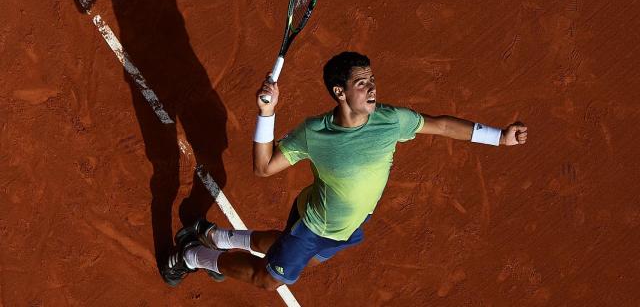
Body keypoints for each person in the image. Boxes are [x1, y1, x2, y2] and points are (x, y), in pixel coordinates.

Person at [161, 51, 528, 290]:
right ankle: (192, 255)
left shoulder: (391, 120)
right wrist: (267, 113)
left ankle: (213, 234)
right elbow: (263, 167)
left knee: (285, 247)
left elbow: (442, 125)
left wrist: (500, 137)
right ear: (339, 91)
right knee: (267, 279)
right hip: (314, 223)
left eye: (372, 80)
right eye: (361, 82)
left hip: (346, 227)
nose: (372, 87)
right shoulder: (314, 133)